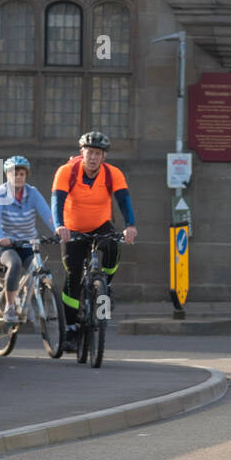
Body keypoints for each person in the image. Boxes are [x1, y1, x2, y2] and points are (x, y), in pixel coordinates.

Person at [52, 131, 137, 352]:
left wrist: (130, 226)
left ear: (103, 157)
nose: (92, 157)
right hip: (72, 229)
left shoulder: (112, 174)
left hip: (100, 225)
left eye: (97, 153)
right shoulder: (67, 172)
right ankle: (70, 328)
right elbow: (57, 200)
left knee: (113, 247)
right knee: (73, 277)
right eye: (89, 152)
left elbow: (124, 200)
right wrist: (59, 225)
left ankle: (105, 286)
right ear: (82, 152)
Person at [0, 156, 57, 324]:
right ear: (7, 175)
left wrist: (58, 230)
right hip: (0, 243)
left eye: (21, 174)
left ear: (26, 176)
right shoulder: (0, 193)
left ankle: (26, 298)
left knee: (39, 268)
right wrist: (0, 236)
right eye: (14, 173)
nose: (18, 177)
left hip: (26, 241)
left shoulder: (33, 193)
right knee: (15, 263)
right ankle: (10, 307)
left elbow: (47, 214)